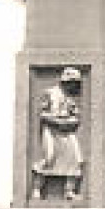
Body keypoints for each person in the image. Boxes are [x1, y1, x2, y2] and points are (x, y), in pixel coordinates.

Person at [34, 66, 84, 201]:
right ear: (66, 81)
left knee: (76, 157)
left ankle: (69, 190)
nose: (75, 85)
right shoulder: (50, 93)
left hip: (66, 131)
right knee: (49, 157)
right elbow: (42, 114)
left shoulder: (71, 98)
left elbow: (76, 117)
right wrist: (57, 121)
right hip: (51, 129)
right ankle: (37, 189)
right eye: (73, 82)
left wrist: (69, 123)